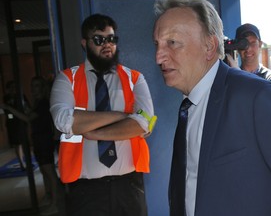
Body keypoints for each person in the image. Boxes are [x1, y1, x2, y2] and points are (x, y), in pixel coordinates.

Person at [153, 0, 271, 216]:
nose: (159, 56)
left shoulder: (256, 96)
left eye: (172, 43)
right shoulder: (188, 105)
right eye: (157, 44)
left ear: (209, 46)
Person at [50, 14, 156, 216]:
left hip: (130, 186)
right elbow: (64, 121)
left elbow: (143, 122)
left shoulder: (134, 78)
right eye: (99, 39)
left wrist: (93, 132)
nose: (107, 45)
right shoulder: (67, 79)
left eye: (111, 39)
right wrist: (122, 115)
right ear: (85, 43)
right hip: (85, 190)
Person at [1, 76, 61, 215]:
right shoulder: (37, 102)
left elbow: (28, 119)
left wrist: (9, 108)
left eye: (36, 86)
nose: (33, 89)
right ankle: (49, 197)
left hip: (44, 140)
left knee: (50, 172)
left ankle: (55, 203)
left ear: (42, 88)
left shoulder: (43, 103)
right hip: (39, 140)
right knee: (45, 171)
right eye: (32, 86)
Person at [2, 80, 29, 171]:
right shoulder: (6, 98)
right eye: (11, 88)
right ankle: (21, 163)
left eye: (14, 87)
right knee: (17, 144)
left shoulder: (21, 96)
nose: (13, 90)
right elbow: (5, 110)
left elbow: (26, 107)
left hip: (21, 122)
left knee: (24, 142)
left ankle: (27, 161)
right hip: (12, 124)